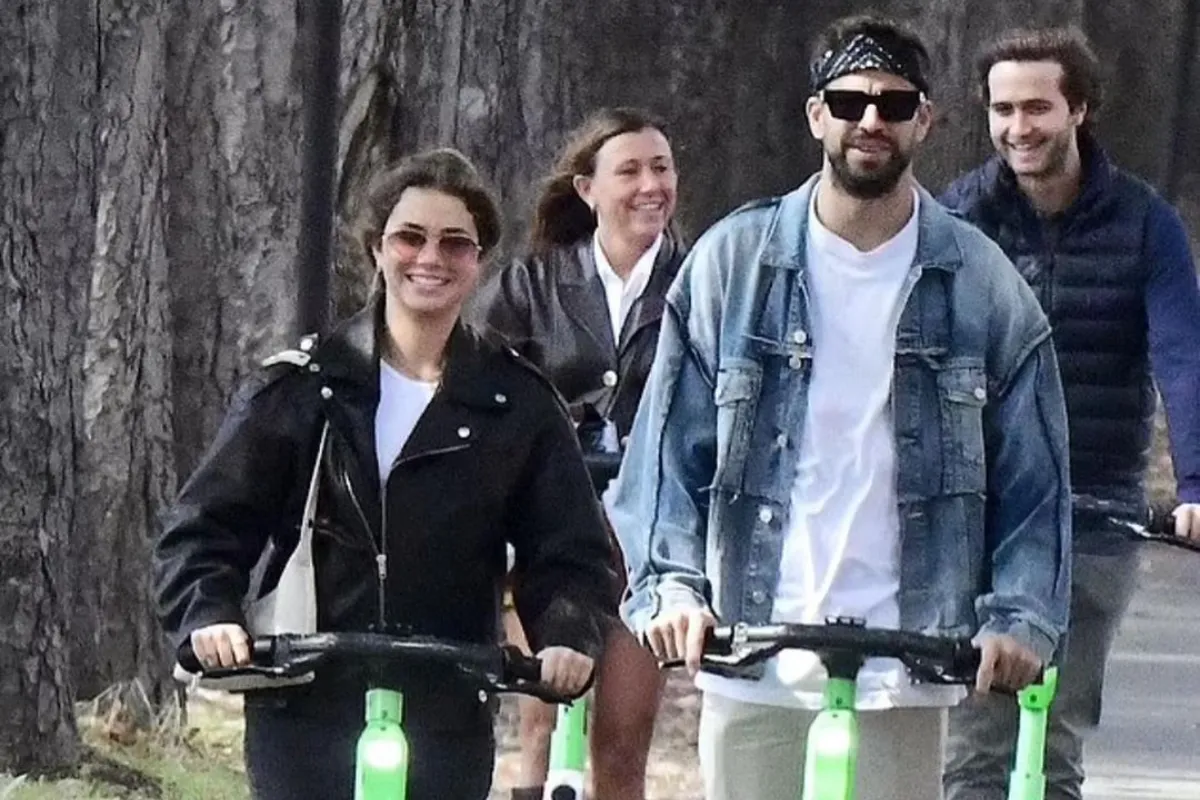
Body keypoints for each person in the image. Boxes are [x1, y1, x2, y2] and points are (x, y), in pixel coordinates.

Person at [606, 15, 1073, 800]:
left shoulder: (985, 284)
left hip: (911, 659)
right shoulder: (733, 263)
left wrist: (1020, 616)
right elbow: (664, 455)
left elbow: (1035, 481)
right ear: (816, 113)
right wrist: (673, 589)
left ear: (925, 119)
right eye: (850, 100)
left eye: (894, 104)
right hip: (757, 656)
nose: (870, 121)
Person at [152, 149, 618, 800]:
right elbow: (205, 527)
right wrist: (209, 614)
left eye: (456, 243)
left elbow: (571, 552)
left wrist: (567, 636)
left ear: (479, 259)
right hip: (307, 707)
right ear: (377, 248)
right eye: (411, 237)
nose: (431, 258)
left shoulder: (520, 405)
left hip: (447, 709)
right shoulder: (301, 387)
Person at [940, 26, 1200, 800]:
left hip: (1094, 510)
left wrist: (1195, 484)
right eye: (1003, 109)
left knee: (1052, 736)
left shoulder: (1143, 223)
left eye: (1038, 108)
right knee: (979, 740)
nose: (1019, 128)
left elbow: (1181, 354)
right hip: (979, 513)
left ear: (1079, 109)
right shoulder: (962, 217)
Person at [470, 106, 685, 800]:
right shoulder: (529, 285)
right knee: (542, 725)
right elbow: (478, 393)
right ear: (587, 188)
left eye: (662, 168)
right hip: (548, 541)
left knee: (622, 746)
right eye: (630, 171)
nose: (651, 185)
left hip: (645, 543)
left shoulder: (700, 279)